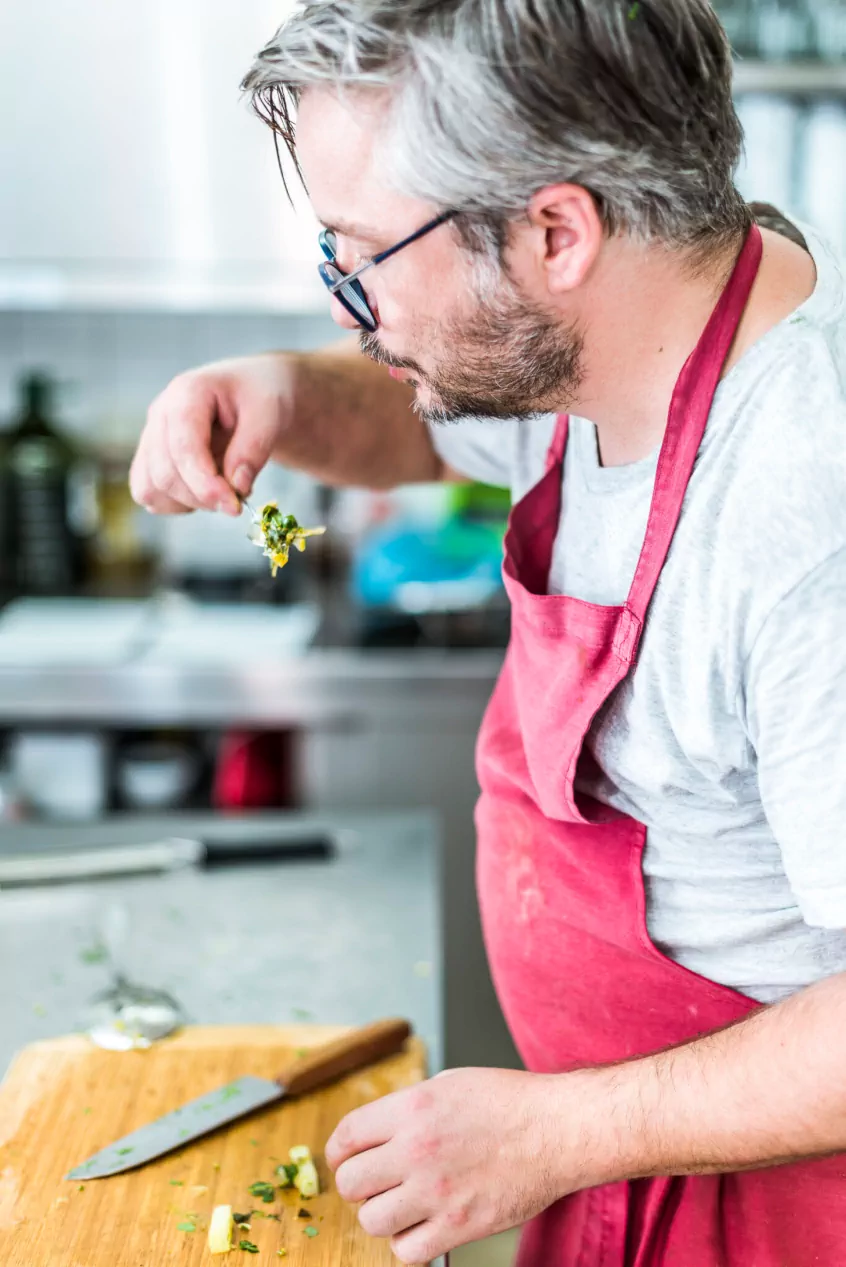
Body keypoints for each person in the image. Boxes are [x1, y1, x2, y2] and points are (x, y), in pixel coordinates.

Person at [129, 2, 846, 1263]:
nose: (351, 307)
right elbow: (440, 410)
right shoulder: (624, 325)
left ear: (554, 231)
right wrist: (282, 394)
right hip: (625, 1162)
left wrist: (559, 1135)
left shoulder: (807, 510)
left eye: (363, 255)